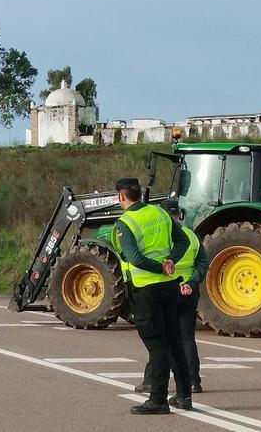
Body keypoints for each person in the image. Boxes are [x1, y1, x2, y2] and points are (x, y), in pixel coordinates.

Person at [111, 177, 192, 414]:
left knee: (156, 345)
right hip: (169, 286)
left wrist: (158, 267)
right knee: (173, 341)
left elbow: (134, 258)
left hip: (146, 289)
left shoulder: (125, 223)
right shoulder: (160, 213)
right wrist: (170, 262)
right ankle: (185, 395)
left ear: (120, 196)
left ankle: (158, 399)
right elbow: (183, 240)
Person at [135, 203, 209, 394]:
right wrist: (191, 284)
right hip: (188, 293)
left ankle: (151, 381)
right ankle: (193, 381)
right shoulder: (191, 236)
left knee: (161, 338)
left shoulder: (160, 239)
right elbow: (202, 263)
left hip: (167, 291)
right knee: (186, 339)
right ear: (179, 215)